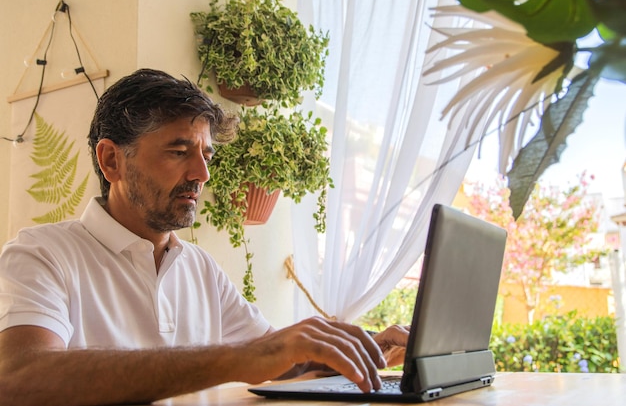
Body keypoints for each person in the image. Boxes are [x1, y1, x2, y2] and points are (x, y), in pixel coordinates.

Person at [0, 69, 409, 406]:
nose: (202, 174)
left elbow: (276, 360)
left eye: (206, 155)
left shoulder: (199, 267)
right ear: (111, 161)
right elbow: (19, 378)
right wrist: (239, 358)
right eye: (179, 152)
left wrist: (362, 347)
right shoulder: (41, 254)